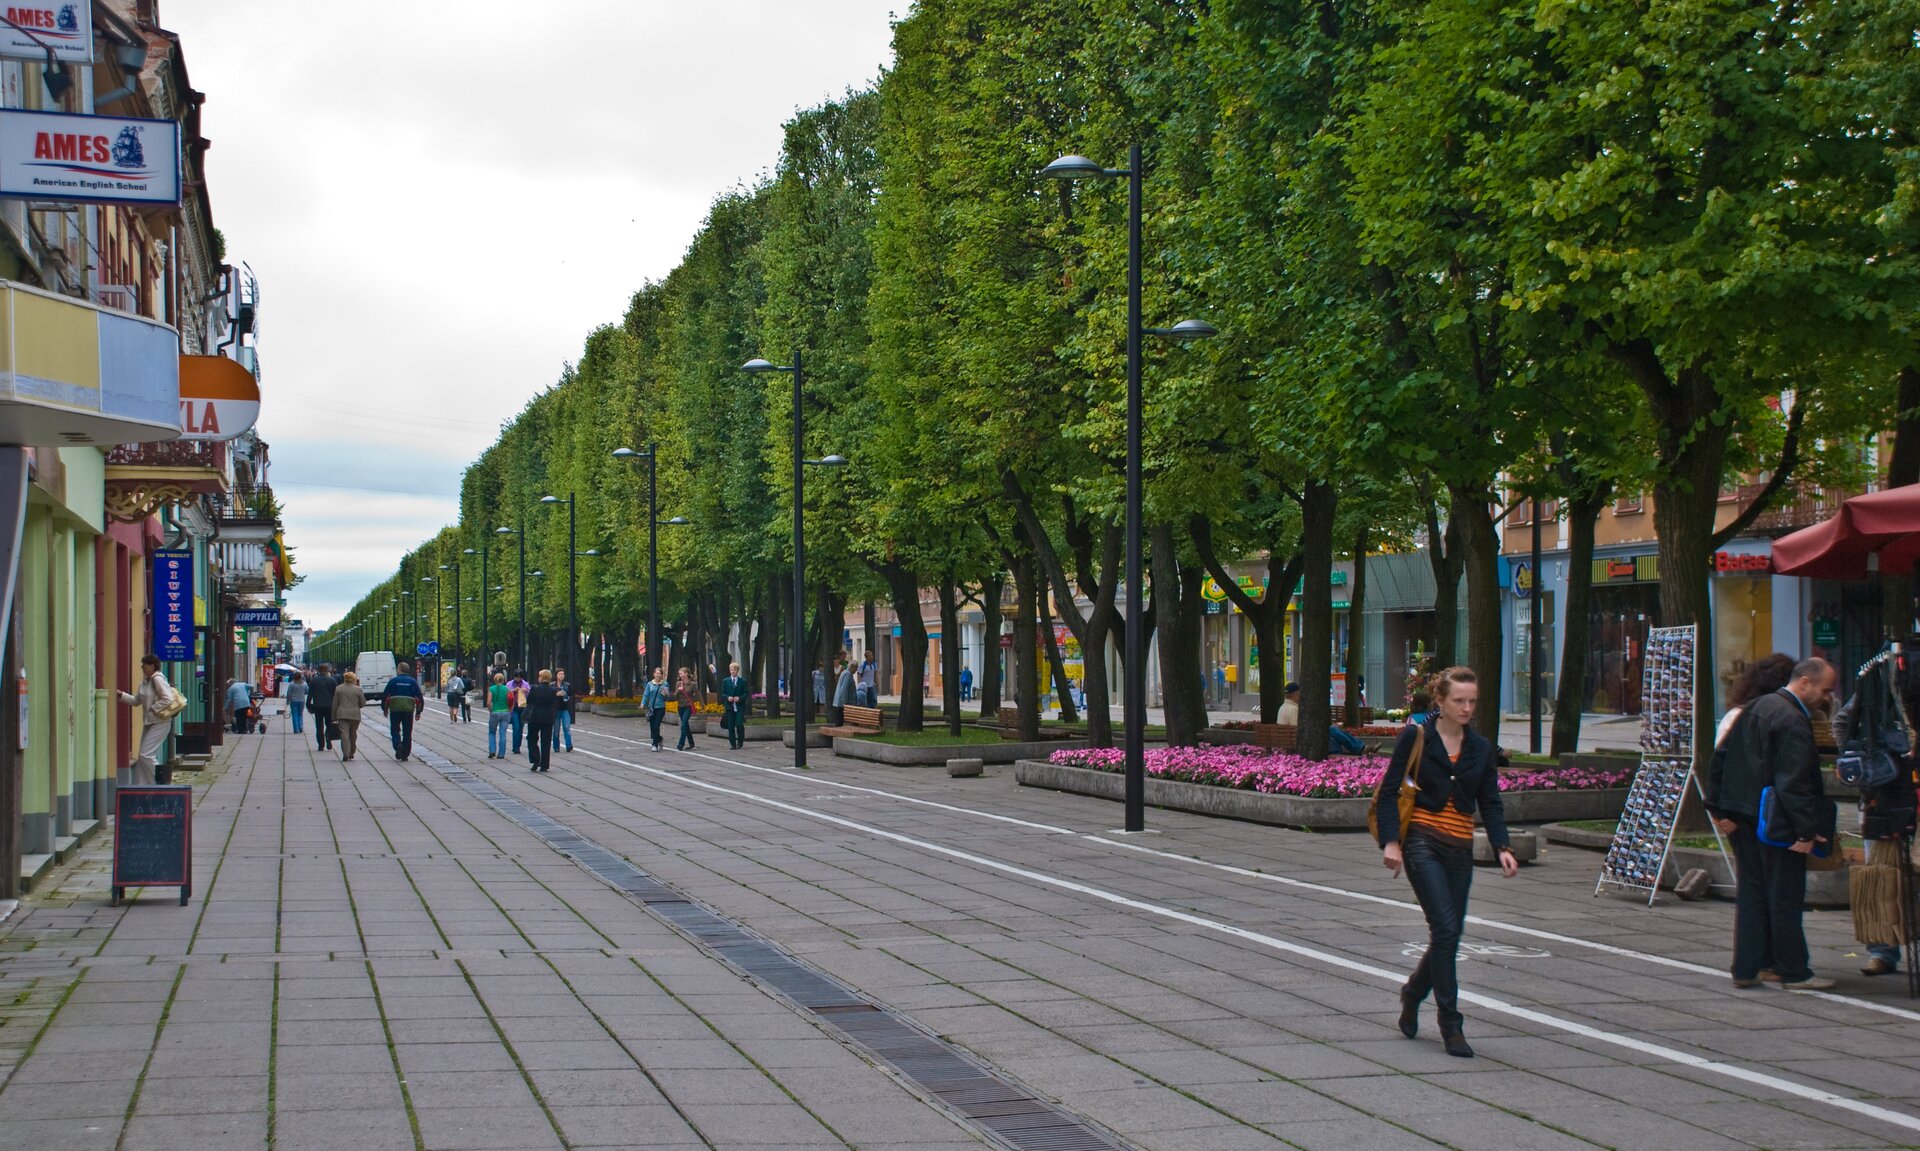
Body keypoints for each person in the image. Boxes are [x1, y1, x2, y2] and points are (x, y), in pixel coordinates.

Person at [1373, 665, 1517, 1058]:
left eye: (1472, 701)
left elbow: (1490, 800)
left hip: (1460, 847)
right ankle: (1451, 1025)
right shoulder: (1416, 737)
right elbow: (1389, 792)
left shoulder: (1481, 749)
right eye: (1459, 701)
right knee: (1445, 926)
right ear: (1440, 701)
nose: (1467, 708)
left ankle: (1412, 992)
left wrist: (1502, 846)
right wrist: (1391, 843)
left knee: (1448, 936)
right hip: (1422, 841)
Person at [1707, 656, 1839, 991]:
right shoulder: (1793, 719)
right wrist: (1806, 830)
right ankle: (1793, 970)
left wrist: (1720, 809)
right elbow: (1794, 782)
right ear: (1805, 682)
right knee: (1784, 896)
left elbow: (1721, 757)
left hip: (1745, 817)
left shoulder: (1756, 707)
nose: (1827, 698)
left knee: (1752, 894)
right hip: (1776, 822)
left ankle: (1747, 967)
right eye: (1825, 690)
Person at [117, 655, 181, 786]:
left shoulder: (157, 679)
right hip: (150, 722)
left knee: (146, 755)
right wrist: (121, 695)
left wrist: (153, 708)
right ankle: (143, 786)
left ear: (152, 666)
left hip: (161, 722)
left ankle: (161, 781)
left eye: (144, 665)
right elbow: (136, 701)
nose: (142, 667)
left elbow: (168, 698)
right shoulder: (146, 682)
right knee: (142, 757)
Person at [383, 661, 425, 761]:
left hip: (395, 709)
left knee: (394, 729)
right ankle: (405, 753)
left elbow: (385, 695)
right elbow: (419, 698)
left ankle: (398, 745)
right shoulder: (412, 682)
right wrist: (419, 711)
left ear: (400, 670)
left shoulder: (393, 681)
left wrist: (384, 709)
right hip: (408, 710)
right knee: (407, 731)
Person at [525, 669, 559, 772]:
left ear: (542, 678)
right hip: (548, 718)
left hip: (535, 718)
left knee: (531, 739)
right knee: (546, 741)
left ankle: (535, 760)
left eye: (539, 676)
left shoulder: (535, 689)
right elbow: (555, 704)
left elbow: (529, 701)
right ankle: (544, 765)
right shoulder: (553, 690)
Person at [332, 671, 367, 762]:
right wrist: (357, 706)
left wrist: (333, 716)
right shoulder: (358, 689)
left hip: (342, 714)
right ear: (353, 679)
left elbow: (335, 704)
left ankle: (346, 753)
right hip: (355, 715)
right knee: (353, 733)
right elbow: (363, 703)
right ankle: (352, 752)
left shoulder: (338, 689)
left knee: (344, 734)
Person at [308, 663, 338, 752]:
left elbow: (310, 694)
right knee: (329, 724)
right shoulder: (332, 680)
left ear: (319, 670)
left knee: (319, 726)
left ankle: (321, 744)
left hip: (318, 706)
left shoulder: (314, 680)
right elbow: (335, 694)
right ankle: (328, 739)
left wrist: (308, 705)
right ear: (327, 670)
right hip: (330, 706)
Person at [720, 661, 750, 750]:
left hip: (739, 706)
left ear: (737, 671)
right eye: (731, 669)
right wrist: (727, 697)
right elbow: (723, 693)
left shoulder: (743, 681)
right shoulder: (726, 681)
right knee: (730, 725)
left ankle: (740, 741)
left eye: (734, 670)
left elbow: (746, 693)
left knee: (739, 723)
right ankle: (733, 744)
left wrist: (740, 698)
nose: (733, 671)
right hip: (730, 706)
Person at [642, 667, 668, 751]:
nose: (658, 675)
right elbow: (646, 695)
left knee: (656, 726)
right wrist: (642, 703)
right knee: (652, 727)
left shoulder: (665, 684)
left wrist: (665, 695)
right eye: (657, 673)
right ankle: (659, 739)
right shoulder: (649, 684)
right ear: (654, 674)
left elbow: (667, 697)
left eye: (660, 673)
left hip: (661, 707)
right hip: (651, 708)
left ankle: (654, 744)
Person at [486, 672, 511, 759]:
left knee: (492, 732)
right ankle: (501, 754)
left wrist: (491, 710)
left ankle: (492, 750)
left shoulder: (491, 689)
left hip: (495, 712)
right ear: (503, 680)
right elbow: (511, 701)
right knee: (502, 733)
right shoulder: (507, 689)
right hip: (505, 712)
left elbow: (488, 702)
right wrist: (509, 710)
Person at [507, 669, 531, 753]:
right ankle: (515, 747)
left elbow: (530, 694)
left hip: (522, 707)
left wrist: (526, 691)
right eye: (516, 677)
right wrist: (513, 691)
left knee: (521, 728)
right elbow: (506, 694)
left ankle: (518, 745)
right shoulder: (510, 684)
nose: (518, 679)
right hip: (514, 707)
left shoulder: (525, 684)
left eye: (519, 677)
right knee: (516, 727)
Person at [675, 668, 698, 750]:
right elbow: (675, 696)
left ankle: (681, 744)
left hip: (688, 707)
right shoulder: (678, 684)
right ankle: (691, 743)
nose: (680, 675)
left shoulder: (692, 684)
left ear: (686, 674)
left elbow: (698, 695)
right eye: (679, 674)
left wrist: (702, 706)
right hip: (680, 707)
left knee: (684, 724)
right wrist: (678, 690)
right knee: (686, 725)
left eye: (681, 674)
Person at [833, 656, 858, 725]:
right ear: (852, 667)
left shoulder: (845, 673)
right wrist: (845, 703)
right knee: (840, 722)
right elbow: (844, 689)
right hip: (842, 704)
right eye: (856, 668)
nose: (856, 670)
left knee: (840, 722)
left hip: (839, 702)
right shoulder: (847, 674)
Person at [554, 668, 575, 751]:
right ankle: (556, 746)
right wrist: (556, 694)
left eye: (562, 674)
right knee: (556, 729)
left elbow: (571, 695)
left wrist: (566, 696)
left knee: (566, 727)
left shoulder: (567, 685)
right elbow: (550, 696)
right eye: (559, 674)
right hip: (556, 709)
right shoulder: (552, 685)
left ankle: (569, 745)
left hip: (565, 709)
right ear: (556, 675)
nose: (561, 676)